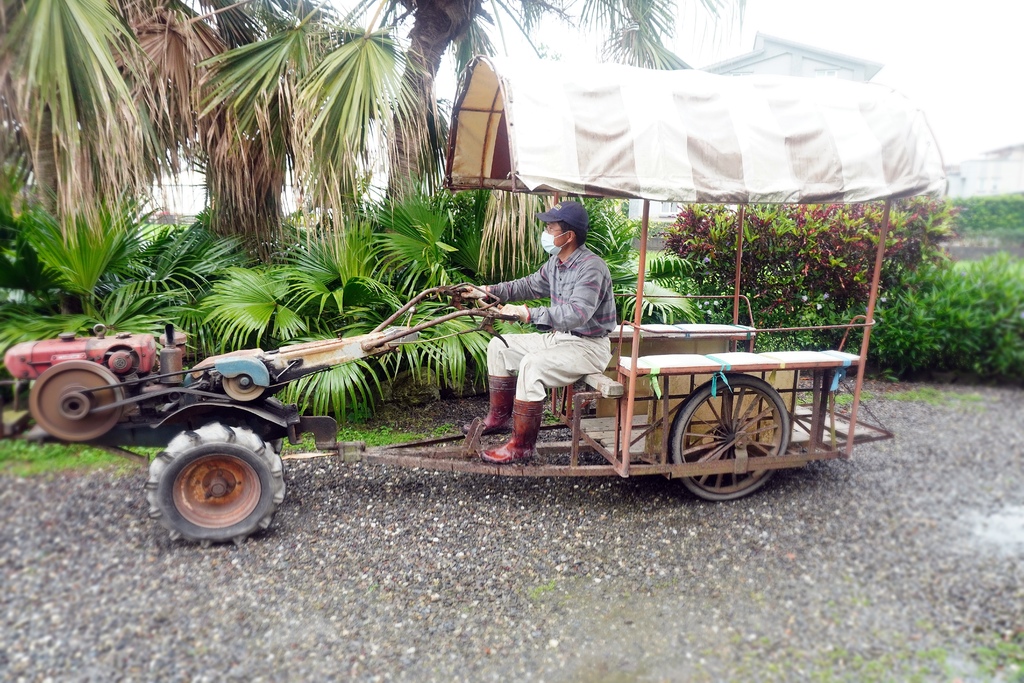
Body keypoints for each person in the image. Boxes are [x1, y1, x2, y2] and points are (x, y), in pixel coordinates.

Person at [462, 200, 617, 464]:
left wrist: (528, 314)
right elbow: (528, 286)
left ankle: (521, 446)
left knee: (532, 365)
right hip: (559, 339)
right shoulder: (556, 263)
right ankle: (498, 419)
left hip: (589, 346)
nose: (545, 233)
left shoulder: (592, 268)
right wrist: (486, 291)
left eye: (550, 228)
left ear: (569, 235)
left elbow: (575, 314)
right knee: (500, 346)